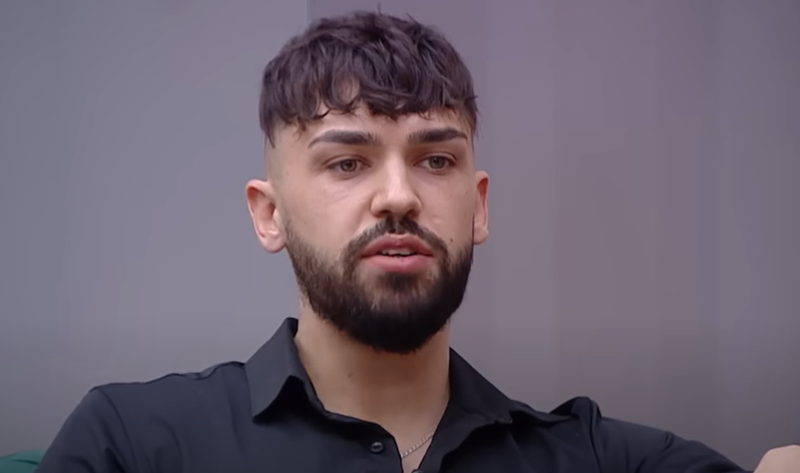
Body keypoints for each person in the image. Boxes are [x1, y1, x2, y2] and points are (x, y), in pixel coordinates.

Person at [36, 10, 798, 473]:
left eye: (436, 160)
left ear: (478, 207)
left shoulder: (601, 457)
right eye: (347, 162)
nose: (399, 194)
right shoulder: (133, 443)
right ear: (268, 215)